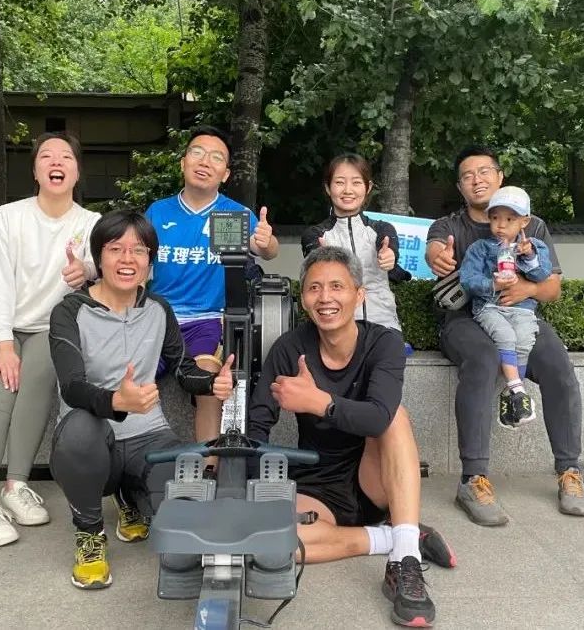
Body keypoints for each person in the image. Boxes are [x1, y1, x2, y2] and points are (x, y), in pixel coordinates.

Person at [248, 246, 455, 628]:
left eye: (337, 287)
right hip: (317, 483)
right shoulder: (290, 348)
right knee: (270, 543)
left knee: (395, 417)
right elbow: (257, 423)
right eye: (314, 288)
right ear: (303, 299)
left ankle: (405, 562)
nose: (325, 298)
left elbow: (378, 417)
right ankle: (395, 537)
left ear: (359, 294)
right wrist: (247, 485)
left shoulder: (383, 343)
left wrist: (319, 402)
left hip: (372, 477)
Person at [47, 210, 234, 590]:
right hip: (93, 438)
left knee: (186, 485)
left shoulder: (159, 309)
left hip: (148, 436)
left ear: (150, 260)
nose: (127, 259)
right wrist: (117, 400)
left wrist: (212, 383)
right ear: (99, 257)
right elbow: (72, 387)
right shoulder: (70, 311)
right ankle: (89, 532)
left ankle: (132, 499)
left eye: (139, 250)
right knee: (79, 430)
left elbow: (182, 369)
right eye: (116, 249)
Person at [426, 145, 584, 527]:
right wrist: (439, 256)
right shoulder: (449, 226)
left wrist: (526, 289)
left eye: (484, 171)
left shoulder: (533, 227)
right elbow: (435, 250)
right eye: (468, 175)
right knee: (483, 358)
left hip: (520, 315)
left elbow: (553, 288)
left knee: (557, 362)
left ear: (500, 177)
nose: (477, 180)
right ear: (459, 186)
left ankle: (569, 470)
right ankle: (473, 479)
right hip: (464, 320)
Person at [0, 132, 101, 547]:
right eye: (46, 156)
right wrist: (4, 345)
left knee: (36, 393)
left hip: (48, 327)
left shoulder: (90, 223)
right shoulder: (8, 217)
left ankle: (16, 486)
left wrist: (87, 272)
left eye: (66, 156)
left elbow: (103, 263)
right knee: (1, 394)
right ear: (36, 170)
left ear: (77, 171)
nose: (56, 162)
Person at [144, 125, 278, 474]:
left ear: (226, 174)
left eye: (216, 157)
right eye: (197, 153)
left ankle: (209, 471)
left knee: (209, 380)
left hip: (207, 320)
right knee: (132, 377)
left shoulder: (233, 214)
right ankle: (133, 471)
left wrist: (266, 243)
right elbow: (136, 262)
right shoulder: (158, 212)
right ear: (183, 162)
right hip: (158, 318)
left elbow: (266, 249)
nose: (205, 162)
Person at [458, 185, 552, 428]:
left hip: (523, 309)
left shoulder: (534, 246)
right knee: (505, 335)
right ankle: (518, 390)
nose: (501, 225)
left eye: (510, 219)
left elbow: (543, 274)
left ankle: (512, 396)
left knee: (524, 340)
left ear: (524, 221)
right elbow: (467, 280)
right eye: (495, 218)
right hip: (489, 307)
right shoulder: (479, 248)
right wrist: (493, 284)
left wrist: (529, 256)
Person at [301, 153, 411, 334]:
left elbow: (389, 247)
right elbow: (316, 271)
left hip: (383, 322)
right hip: (334, 325)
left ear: (368, 187)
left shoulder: (382, 228)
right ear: (328, 188)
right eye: (339, 182)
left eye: (356, 182)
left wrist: (389, 256)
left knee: (389, 349)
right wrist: (322, 262)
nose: (348, 190)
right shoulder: (315, 234)